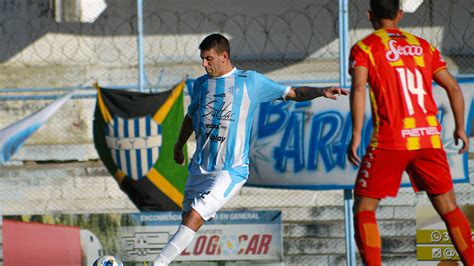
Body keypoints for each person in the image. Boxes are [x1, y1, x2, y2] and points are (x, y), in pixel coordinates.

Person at [153, 33, 348, 265]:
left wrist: (321, 91)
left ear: (224, 56)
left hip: (230, 170)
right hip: (200, 167)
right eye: (202, 59)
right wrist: (178, 146)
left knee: (195, 215)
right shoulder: (201, 84)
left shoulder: (250, 81)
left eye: (209, 59)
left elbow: (293, 93)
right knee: (188, 218)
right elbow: (191, 116)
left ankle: (157, 264)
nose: (204, 64)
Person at [347, 0, 474, 265]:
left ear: (370, 15)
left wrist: (357, 134)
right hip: (427, 138)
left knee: (364, 209)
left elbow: (359, 89)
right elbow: (452, 87)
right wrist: (460, 127)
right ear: (400, 14)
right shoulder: (424, 46)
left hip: (390, 140)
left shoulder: (365, 48)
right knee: (449, 208)